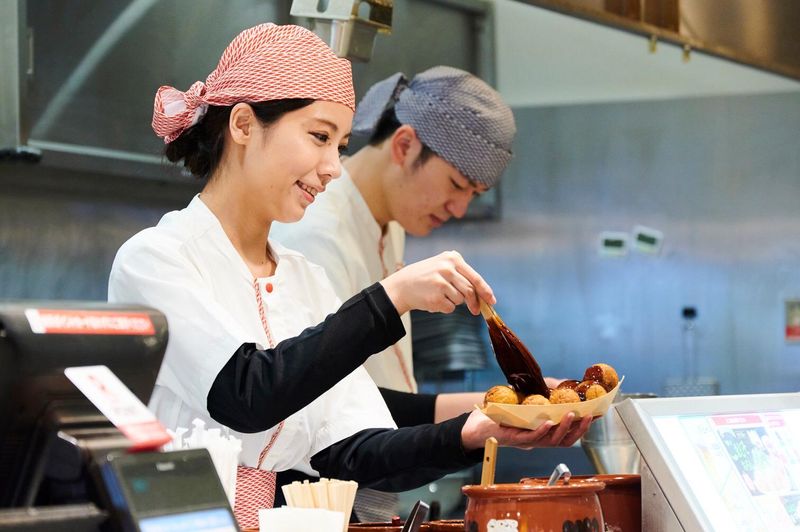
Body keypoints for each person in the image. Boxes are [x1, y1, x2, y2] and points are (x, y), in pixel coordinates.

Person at [108, 24, 590, 529]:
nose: (333, 167)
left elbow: (356, 451)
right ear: (244, 125)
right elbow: (245, 395)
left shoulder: (305, 279)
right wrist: (391, 298)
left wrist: (477, 431)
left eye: (339, 145)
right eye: (319, 137)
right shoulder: (156, 260)